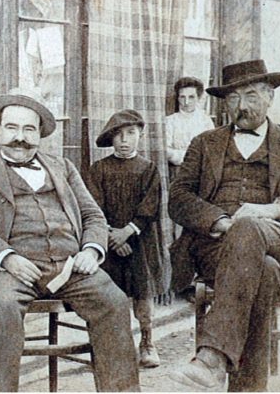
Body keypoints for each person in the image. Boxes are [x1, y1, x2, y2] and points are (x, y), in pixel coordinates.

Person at [167, 60, 280, 391]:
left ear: (270, 96)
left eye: (250, 95)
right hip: (216, 249)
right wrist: (218, 221)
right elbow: (178, 199)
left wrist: (275, 210)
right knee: (263, 271)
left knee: (250, 230)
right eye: (233, 98)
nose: (241, 106)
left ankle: (212, 358)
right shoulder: (204, 143)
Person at [0, 92, 140, 392]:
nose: (20, 137)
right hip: (12, 271)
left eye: (29, 130)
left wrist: (92, 250)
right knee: (2, 306)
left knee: (115, 302)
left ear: (39, 134)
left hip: (71, 268)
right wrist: (7, 257)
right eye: (12, 128)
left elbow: (93, 214)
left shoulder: (63, 167)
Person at [86, 109, 167, 369]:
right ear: (111, 139)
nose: (124, 140)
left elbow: (150, 207)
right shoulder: (99, 169)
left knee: (143, 293)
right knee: (109, 294)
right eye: (118, 135)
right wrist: (112, 236)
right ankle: (112, 344)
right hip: (107, 242)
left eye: (130, 134)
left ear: (140, 135)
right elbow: (92, 206)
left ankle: (147, 341)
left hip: (140, 241)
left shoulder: (148, 169)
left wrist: (127, 233)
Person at [164, 77, 214, 180]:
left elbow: (212, 150)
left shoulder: (205, 121)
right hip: (178, 172)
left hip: (202, 172)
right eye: (182, 97)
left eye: (191, 97)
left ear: (198, 98)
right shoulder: (169, 121)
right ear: (177, 98)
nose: (186, 102)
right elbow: (166, 150)